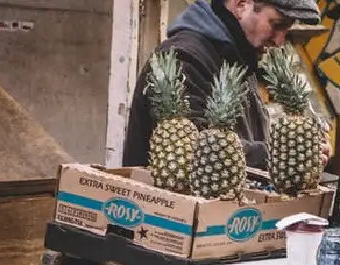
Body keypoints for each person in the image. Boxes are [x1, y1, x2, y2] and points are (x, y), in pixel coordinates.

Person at [122, 0, 319, 171]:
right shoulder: (184, 58)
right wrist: (285, 154)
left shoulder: (238, 56)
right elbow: (196, 151)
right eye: (276, 24)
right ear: (241, 4)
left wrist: (299, 148)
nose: (280, 41)